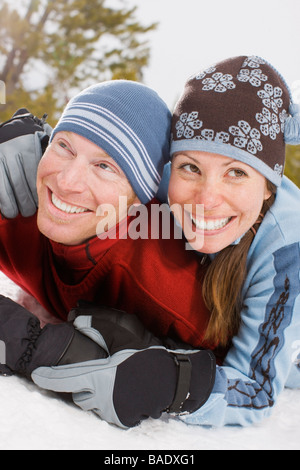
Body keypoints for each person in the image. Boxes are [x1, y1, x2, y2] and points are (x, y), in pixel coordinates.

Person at [0, 79, 216, 428]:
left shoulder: (167, 286)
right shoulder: (16, 206)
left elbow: (248, 355)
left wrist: (176, 377)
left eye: (106, 166)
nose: (67, 181)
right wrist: (33, 344)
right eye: (64, 146)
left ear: (138, 198)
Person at [157, 54, 300, 426]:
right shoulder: (166, 186)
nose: (206, 199)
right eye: (191, 167)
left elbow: (257, 388)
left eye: (236, 172)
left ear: (268, 187)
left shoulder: (288, 250)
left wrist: (167, 386)